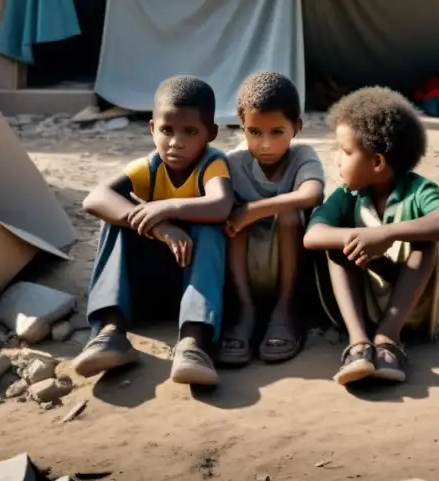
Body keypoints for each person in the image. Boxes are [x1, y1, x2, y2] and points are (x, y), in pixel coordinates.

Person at [75, 75, 234, 387]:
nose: (176, 142)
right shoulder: (148, 167)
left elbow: (220, 205)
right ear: (152, 129)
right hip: (146, 290)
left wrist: (164, 208)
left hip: (195, 287)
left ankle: (194, 342)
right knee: (118, 221)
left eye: (190, 131)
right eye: (166, 130)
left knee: (210, 231)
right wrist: (159, 227)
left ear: (210, 134)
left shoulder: (212, 163)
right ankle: (111, 332)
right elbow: (95, 199)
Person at [304, 87, 439, 387]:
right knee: (337, 245)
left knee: (424, 240)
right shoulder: (347, 196)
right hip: (367, 303)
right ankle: (359, 343)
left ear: (377, 162)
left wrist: (386, 233)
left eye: (346, 152)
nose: (337, 160)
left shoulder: (417, 189)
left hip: (420, 305)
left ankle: (389, 337)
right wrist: (362, 237)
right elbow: (313, 235)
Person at [220, 72, 325, 366]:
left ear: (297, 127)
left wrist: (253, 210)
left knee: (286, 211)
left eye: (277, 132)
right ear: (242, 128)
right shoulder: (233, 162)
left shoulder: (302, 155)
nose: (265, 144)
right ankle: (245, 311)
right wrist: (242, 213)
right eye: (254, 132)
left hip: (290, 265)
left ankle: (285, 309)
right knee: (233, 211)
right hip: (247, 267)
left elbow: (312, 193)